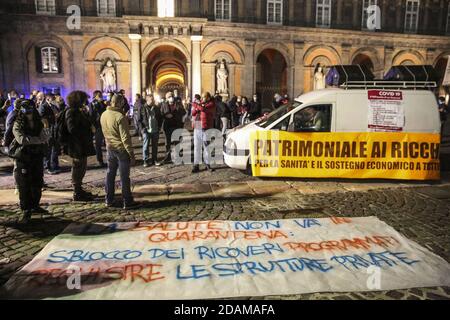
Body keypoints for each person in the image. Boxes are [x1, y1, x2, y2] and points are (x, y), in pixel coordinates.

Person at [12, 100, 48, 223]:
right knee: (24, 184)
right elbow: (21, 139)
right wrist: (37, 140)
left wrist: (35, 140)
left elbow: (44, 137)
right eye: (26, 110)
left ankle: (35, 205)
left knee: (37, 181)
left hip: (37, 155)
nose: (29, 113)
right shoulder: (18, 123)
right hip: (24, 157)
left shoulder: (38, 122)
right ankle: (26, 210)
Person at [101, 94, 137, 210]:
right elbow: (125, 138)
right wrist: (131, 154)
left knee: (110, 174)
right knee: (124, 176)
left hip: (110, 148)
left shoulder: (104, 114)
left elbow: (104, 132)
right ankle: (127, 200)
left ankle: (108, 199)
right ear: (121, 103)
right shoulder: (120, 117)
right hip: (121, 150)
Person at [65, 91, 97, 202]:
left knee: (82, 167)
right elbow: (72, 129)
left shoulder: (80, 111)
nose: (86, 102)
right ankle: (76, 191)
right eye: (84, 100)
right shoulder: (71, 112)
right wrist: (86, 130)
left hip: (82, 144)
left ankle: (79, 189)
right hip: (76, 146)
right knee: (77, 167)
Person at [191, 92, 216, 173]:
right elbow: (193, 113)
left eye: (204, 97)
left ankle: (207, 164)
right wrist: (197, 107)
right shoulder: (201, 103)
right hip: (197, 125)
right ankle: (196, 165)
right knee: (197, 147)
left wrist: (195, 104)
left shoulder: (211, 104)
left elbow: (203, 109)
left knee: (206, 147)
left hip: (206, 127)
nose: (202, 98)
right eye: (202, 97)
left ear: (208, 97)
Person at [160, 91, 186, 165]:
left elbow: (184, 113)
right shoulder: (164, 105)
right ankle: (168, 157)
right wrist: (165, 115)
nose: (171, 98)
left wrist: (179, 117)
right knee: (167, 143)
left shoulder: (178, 104)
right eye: (169, 97)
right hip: (167, 126)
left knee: (176, 142)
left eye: (171, 96)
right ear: (167, 98)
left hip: (176, 126)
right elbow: (161, 114)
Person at [37, 92, 60, 174]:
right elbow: (41, 117)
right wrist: (53, 116)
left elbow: (58, 114)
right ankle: (47, 166)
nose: (54, 100)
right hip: (48, 130)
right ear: (48, 99)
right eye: (52, 99)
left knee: (55, 148)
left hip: (55, 129)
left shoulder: (54, 106)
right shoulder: (43, 106)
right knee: (48, 149)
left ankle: (55, 165)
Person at [139, 94, 162, 167]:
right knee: (146, 146)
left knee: (155, 146)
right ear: (147, 100)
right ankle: (145, 160)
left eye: (153, 99)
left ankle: (154, 159)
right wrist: (142, 130)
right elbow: (139, 120)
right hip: (146, 129)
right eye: (152, 99)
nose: (153, 100)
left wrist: (159, 127)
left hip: (155, 129)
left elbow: (160, 117)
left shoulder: (156, 108)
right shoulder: (142, 108)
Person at [89, 90, 107, 167]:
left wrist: (103, 103)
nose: (101, 96)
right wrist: (93, 126)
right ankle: (100, 160)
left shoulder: (103, 103)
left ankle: (111, 158)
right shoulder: (92, 104)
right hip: (98, 126)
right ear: (95, 96)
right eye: (99, 95)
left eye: (101, 95)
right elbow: (91, 115)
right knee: (98, 144)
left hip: (105, 124)